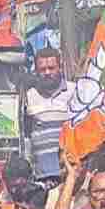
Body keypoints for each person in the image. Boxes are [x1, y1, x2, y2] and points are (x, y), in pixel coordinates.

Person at [21, 47, 73, 185]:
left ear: (60, 67)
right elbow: (25, 135)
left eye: (51, 68)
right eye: (42, 69)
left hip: (70, 172)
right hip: (41, 176)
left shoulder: (74, 92)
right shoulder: (28, 96)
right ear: (36, 71)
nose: (47, 72)